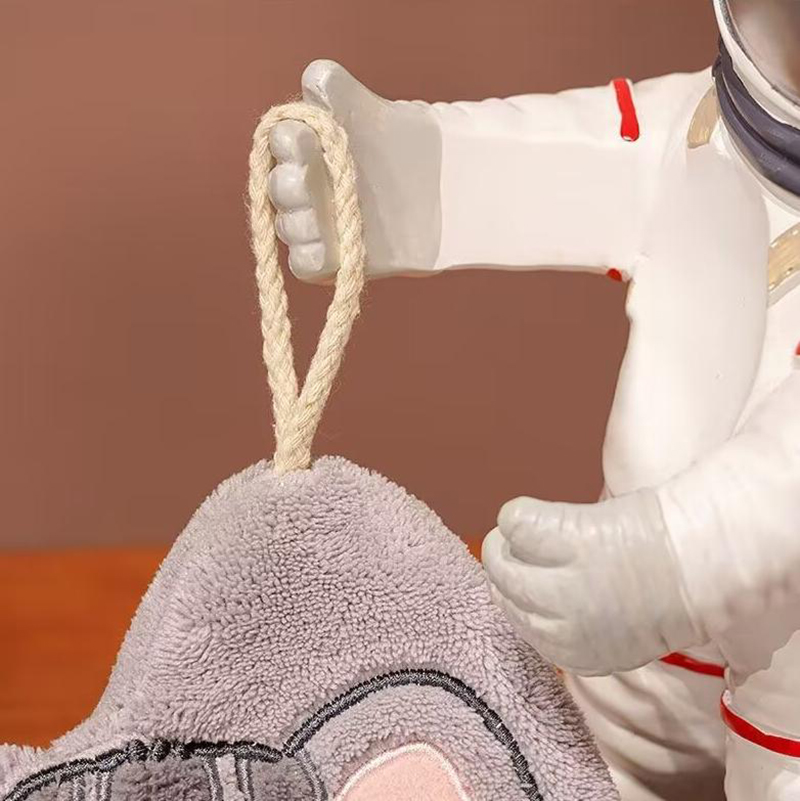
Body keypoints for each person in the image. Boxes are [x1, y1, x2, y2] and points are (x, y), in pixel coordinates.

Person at [266, 2, 800, 797]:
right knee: (589, 767)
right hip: (634, 636)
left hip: (764, 649)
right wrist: (398, 180)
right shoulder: (694, 134)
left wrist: (677, 556)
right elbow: (580, 158)